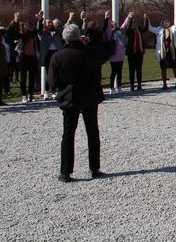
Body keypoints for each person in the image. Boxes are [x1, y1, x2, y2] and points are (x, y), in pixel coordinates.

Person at [50, 20, 112, 182]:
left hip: (70, 97)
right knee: (92, 132)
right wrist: (89, 44)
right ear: (79, 37)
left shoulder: (57, 57)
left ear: (64, 38)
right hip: (89, 96)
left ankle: (65, 172)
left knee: (68, 134)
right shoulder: (89, 53)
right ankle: (94, 168)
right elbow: (106, 53)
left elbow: (53, 82)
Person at [145, 13, 176, 89]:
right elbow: (149, 28)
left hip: (172, 51)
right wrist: (146, 19)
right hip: (163, 52)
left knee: (175, 67)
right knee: (163, 68)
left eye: (168, 21)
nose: (166, 23)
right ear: (162, 23)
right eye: (165, 22)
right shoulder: (159, 30)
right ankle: (164, 84)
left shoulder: (173, 29)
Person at [8, 12, 39, 102]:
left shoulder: (31, 33)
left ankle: (31, 94)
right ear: (22, 26)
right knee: (23, 77)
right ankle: (24, 95)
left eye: (29, 24)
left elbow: (39, 30)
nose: (28, 26)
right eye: (26, 25)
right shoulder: (19, 35)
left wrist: (40, 20)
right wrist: (16, 20)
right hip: (22, 57)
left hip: (31, 57)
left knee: (32, 77)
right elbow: (10, 31)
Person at [125, 13, 147, 91]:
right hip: (131, 53)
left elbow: (146, 28)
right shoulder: (129, 31)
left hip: (139, 52)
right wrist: (130, 18)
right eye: (133, 23)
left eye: (135, 22)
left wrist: (146, 19)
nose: (134, 24)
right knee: (131, 69)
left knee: (139, 69)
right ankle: (132, 86)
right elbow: (127, 27)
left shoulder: (139, 30)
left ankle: (139, 85)